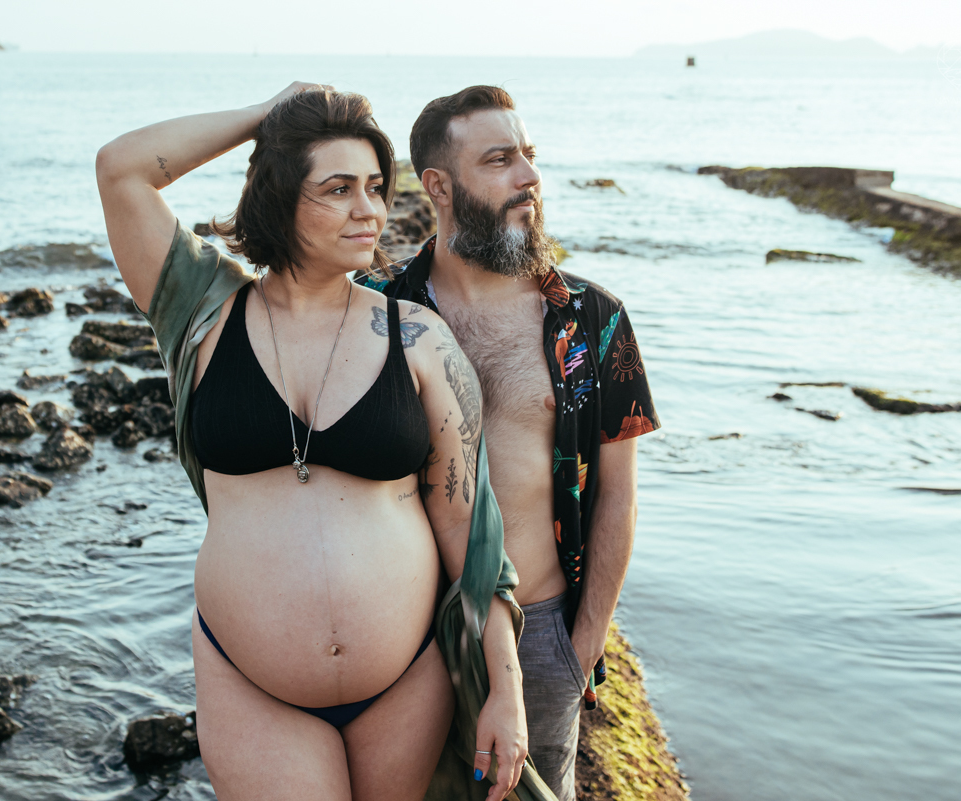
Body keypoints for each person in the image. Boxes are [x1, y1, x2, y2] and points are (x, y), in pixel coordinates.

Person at [95, 84, 545, 801]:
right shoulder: (203, 314)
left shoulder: (419, 339)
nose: (369, 209)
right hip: (254, 686)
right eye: (338, 188)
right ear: (279, 197)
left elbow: (472, 533)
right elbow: (122, 168)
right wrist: (267, 116)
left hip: (407, 681)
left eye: (374, 186)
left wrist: (506, 689)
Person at [359, 85, 661, 801]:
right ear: (439, 186)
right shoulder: (372, 312)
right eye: (500, 159)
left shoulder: (594, 319)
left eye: (529, 155)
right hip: (399, 638)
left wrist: (580, 644)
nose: (529, 175)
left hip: (543, 634)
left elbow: (618, 491)